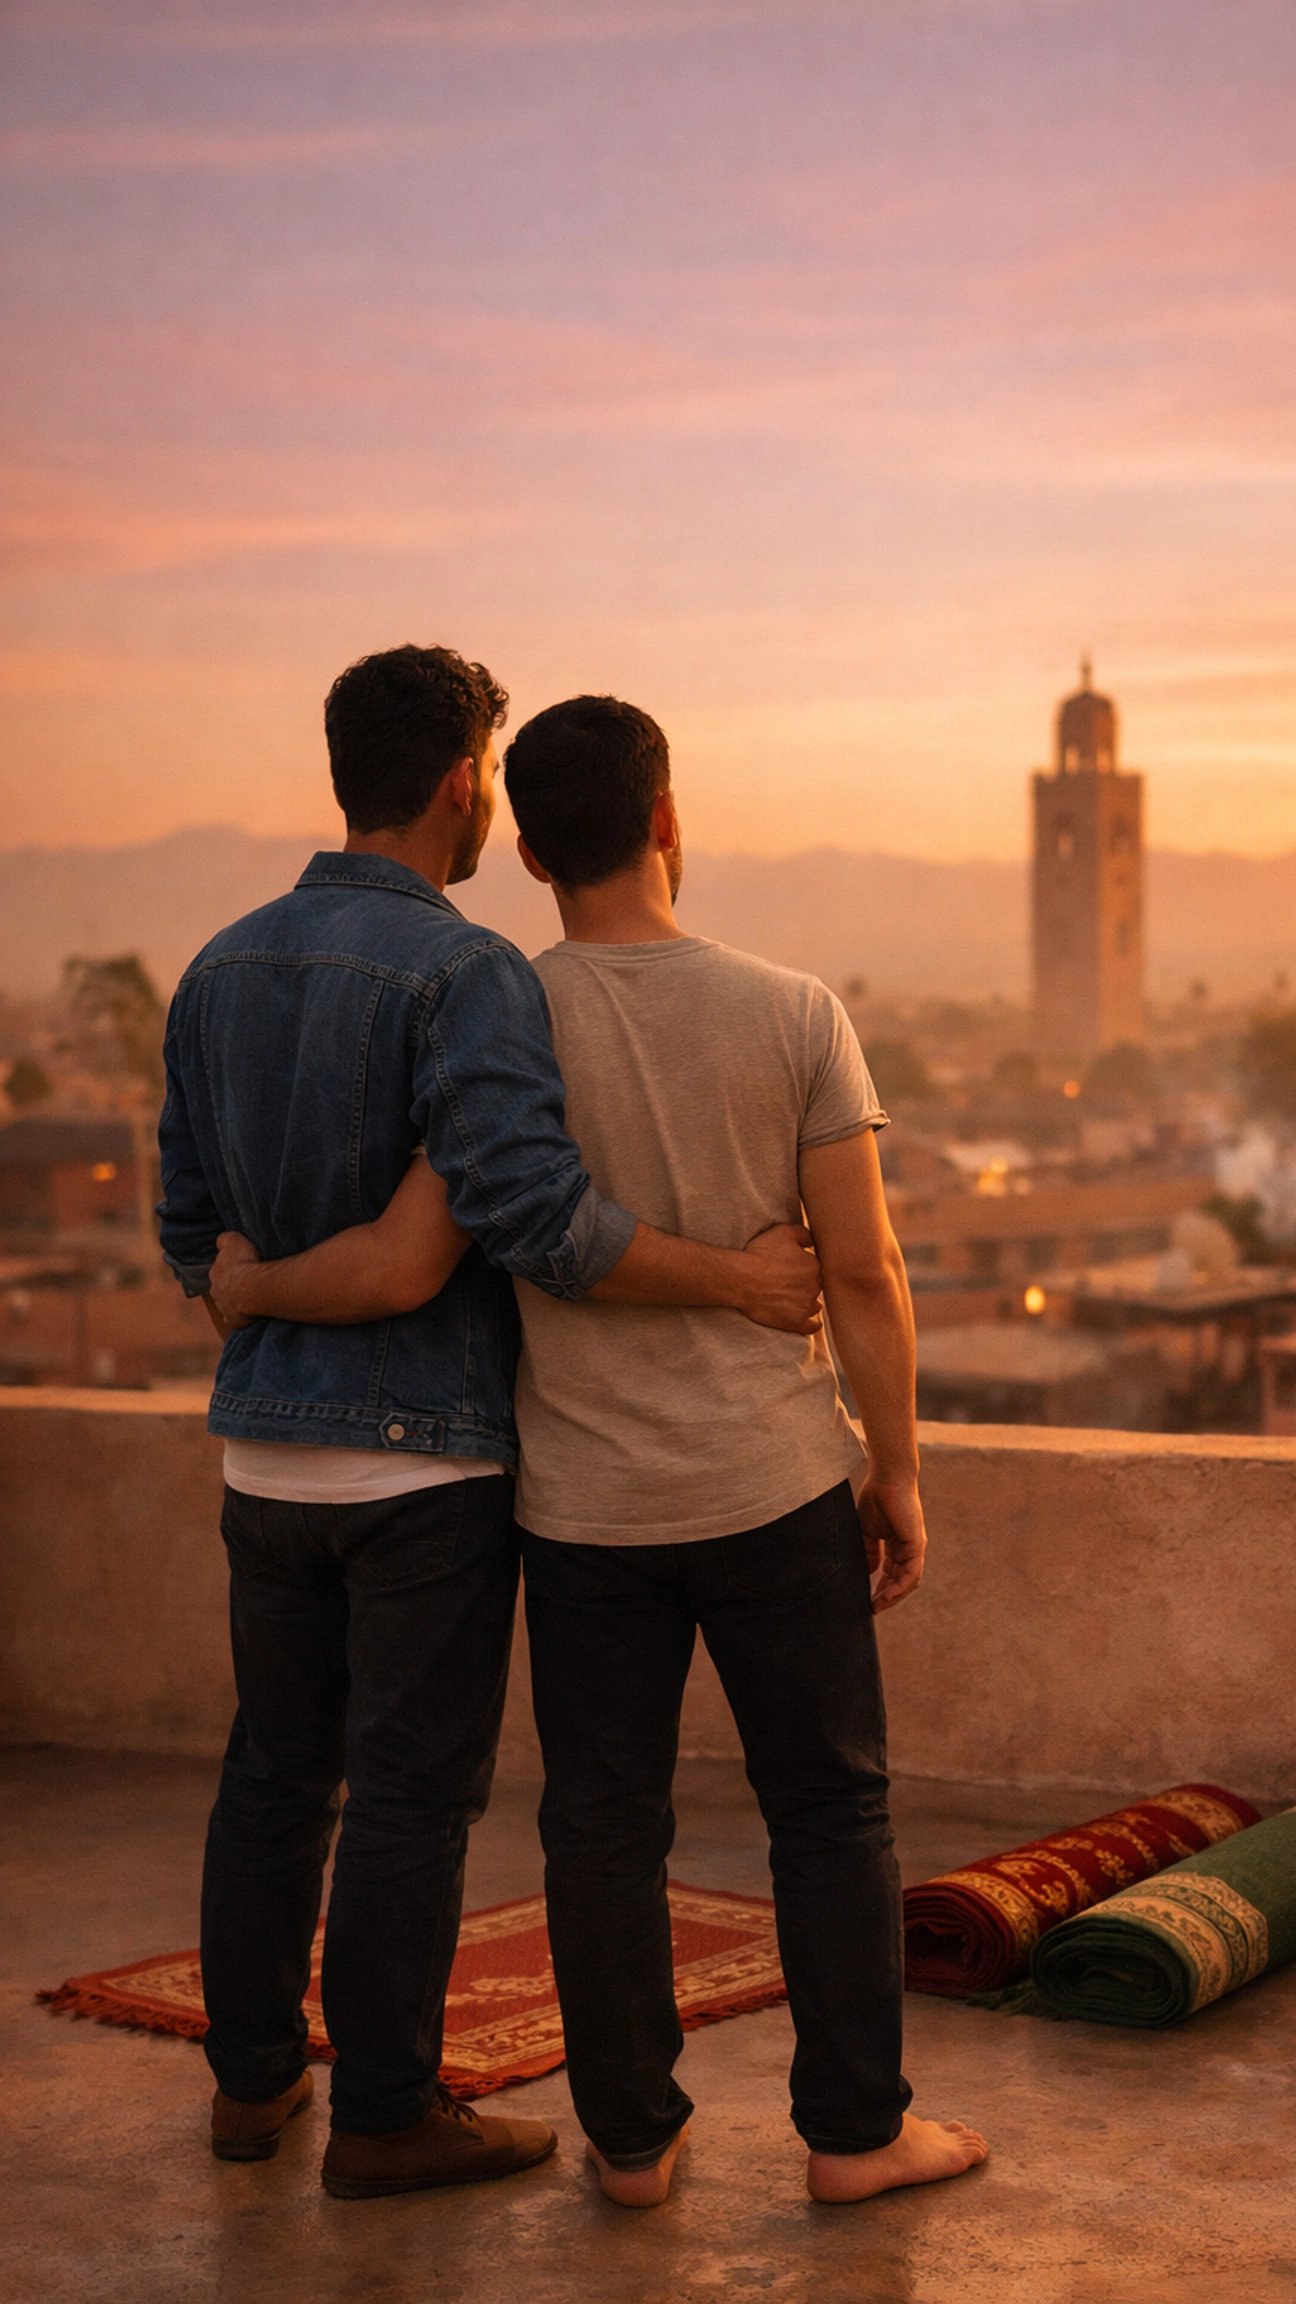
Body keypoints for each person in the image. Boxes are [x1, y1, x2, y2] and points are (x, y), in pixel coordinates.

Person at [211, 695, 987, 2206]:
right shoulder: (794, 1010)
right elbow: (869, 1271)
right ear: (669, 819)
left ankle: (632, 2141)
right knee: (827, 1811)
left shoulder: (501, 1010)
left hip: (580, 1510)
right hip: (773, 1483)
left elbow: (479, 1229)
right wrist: (896, 1469)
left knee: (604, 1824)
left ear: (534, 851)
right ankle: (852, 2136)